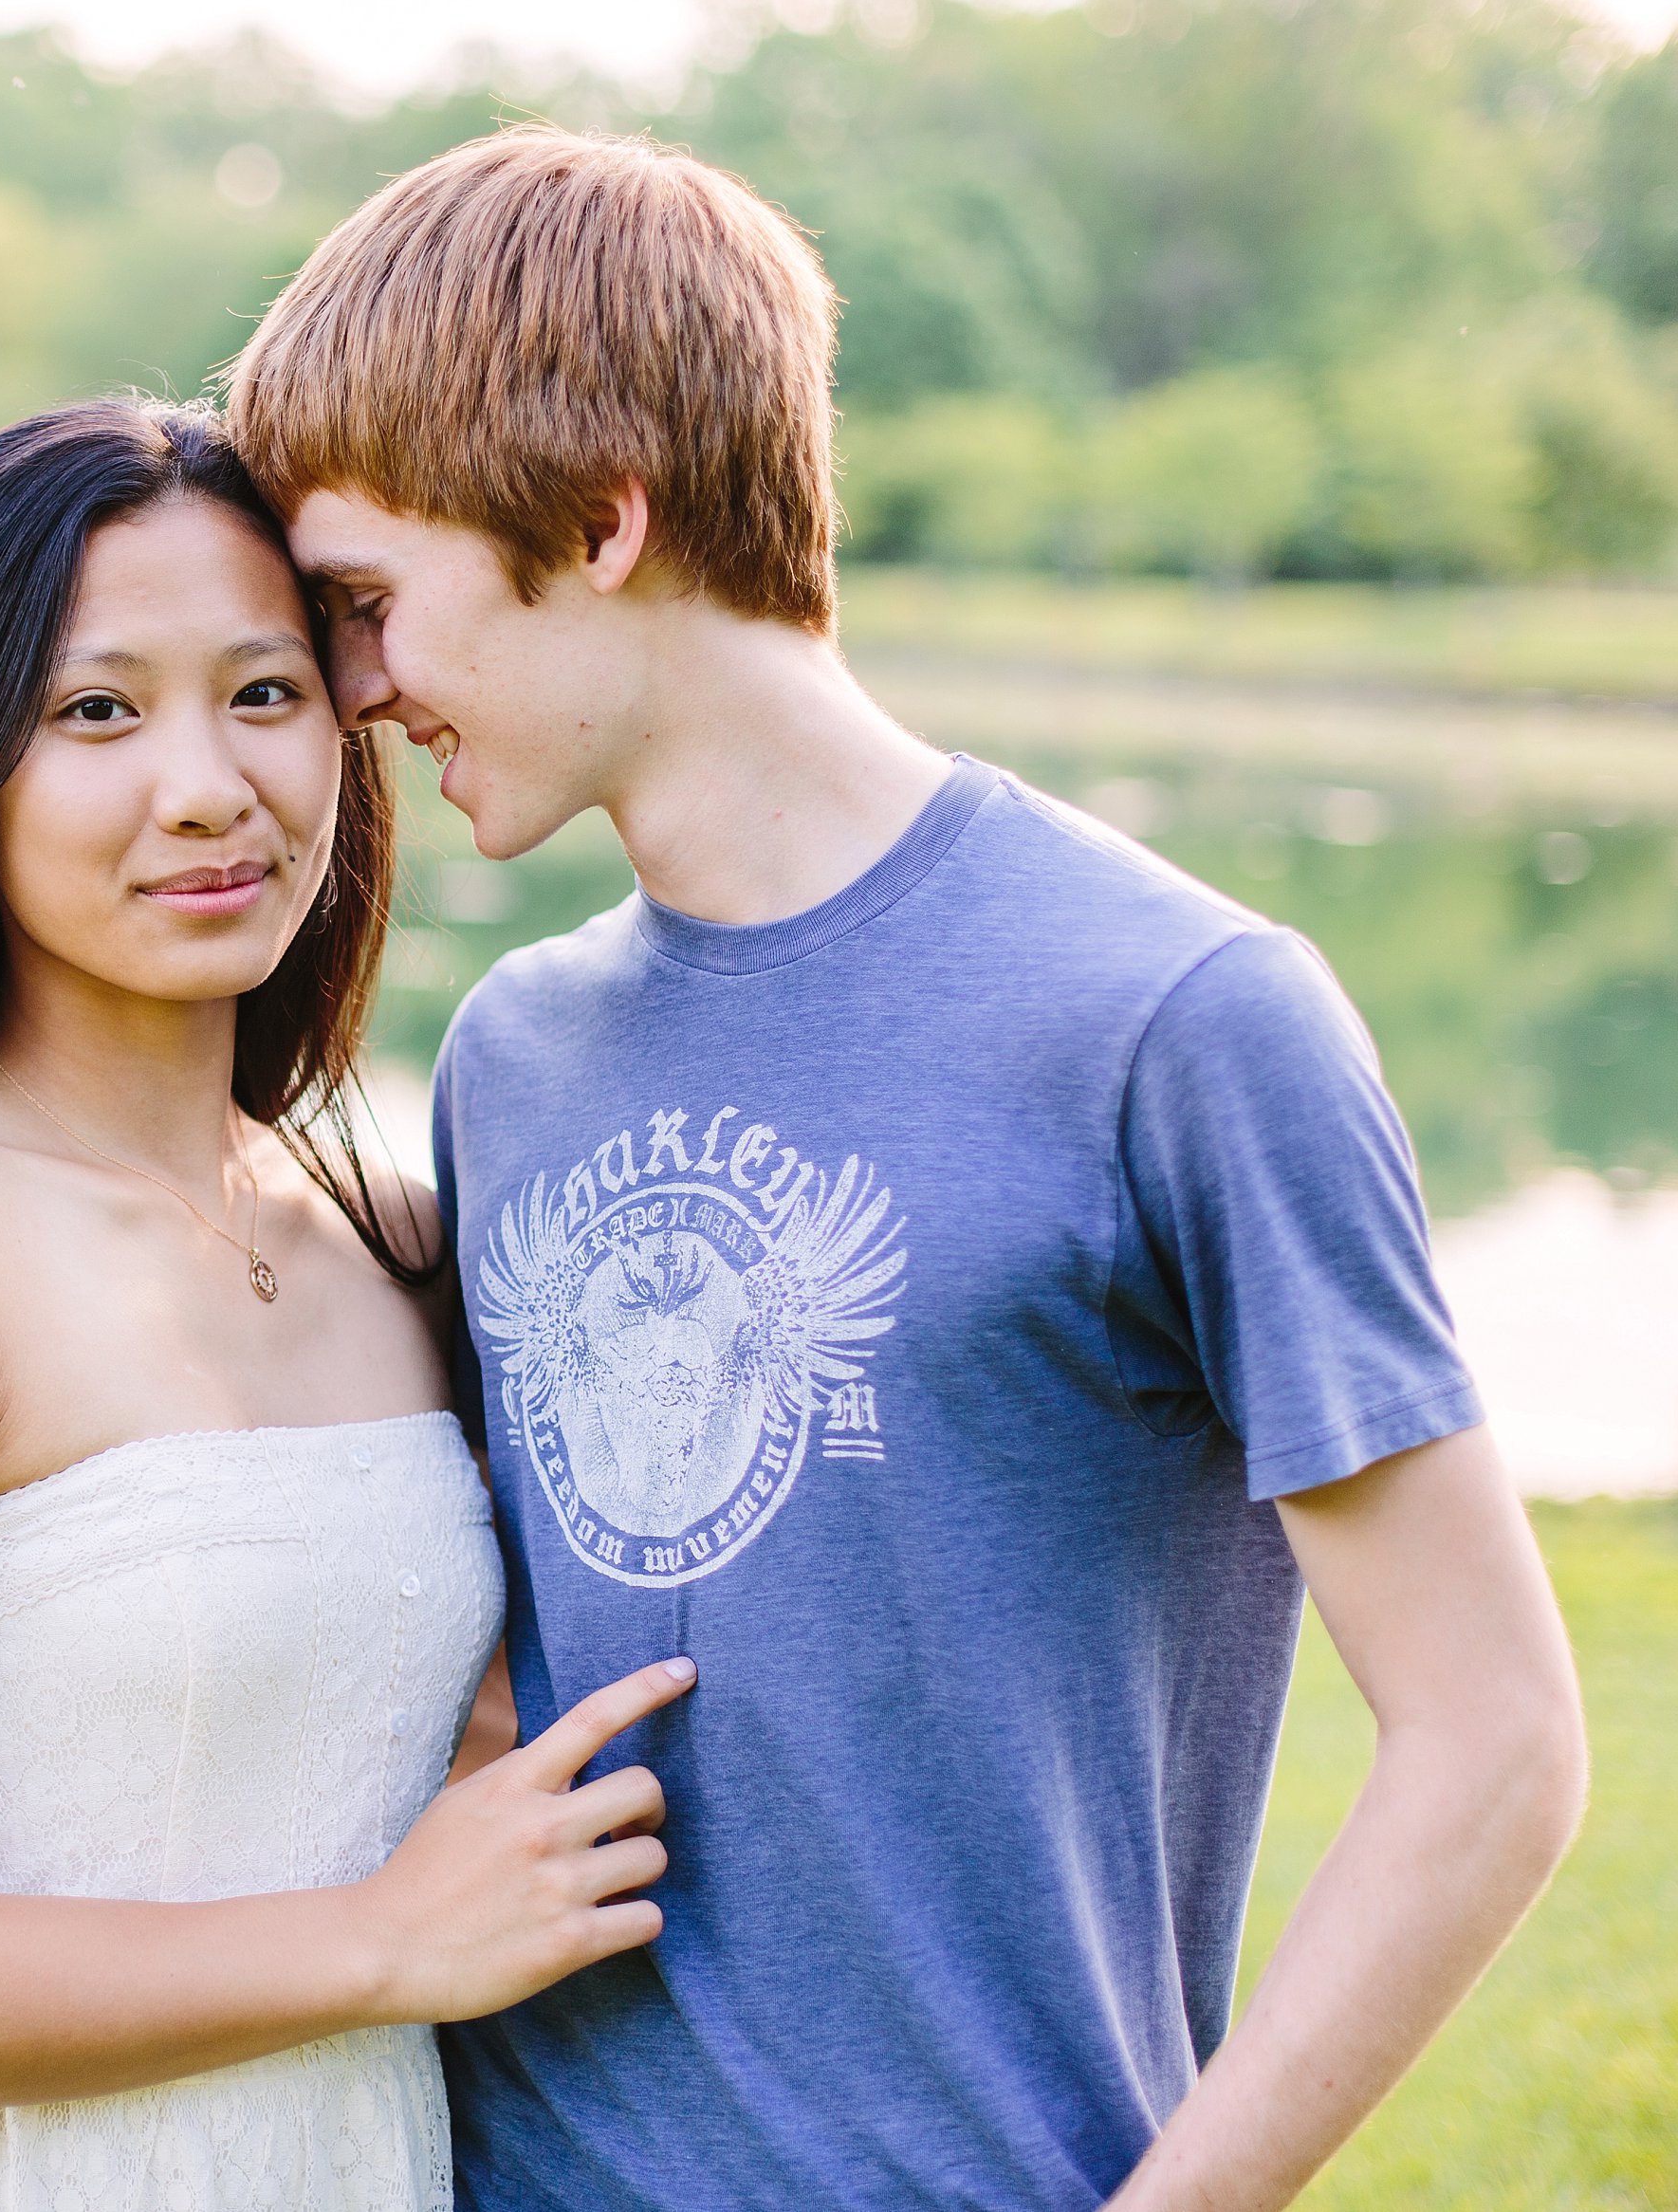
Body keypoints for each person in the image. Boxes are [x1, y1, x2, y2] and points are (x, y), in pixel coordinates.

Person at [224, 125, 1591, 2212]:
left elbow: (1493, 1746)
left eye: (362, 600)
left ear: (599, 517)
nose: (348, 690)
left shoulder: (1182, 1019)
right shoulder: (517, 1053)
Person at [0, 396, 696, 2211]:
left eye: (262, 691)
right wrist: (379, 1940)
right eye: (97, 710)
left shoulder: (396, 1239)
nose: (207, 785)